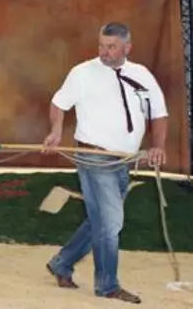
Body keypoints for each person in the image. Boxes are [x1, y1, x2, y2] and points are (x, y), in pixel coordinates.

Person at [42, 22, 168, 304]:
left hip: (124, 161)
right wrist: (56, 130)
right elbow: (59, 103)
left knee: (100, 221)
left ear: (127, 47)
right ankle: (108, 285)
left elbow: (159, 114)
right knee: (111, 222)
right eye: (101, 45)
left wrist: (158, 146)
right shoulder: (83, 73)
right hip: (93, 156)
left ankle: (62, 263)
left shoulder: (142, 75)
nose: (104, 51)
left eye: (111, 46)